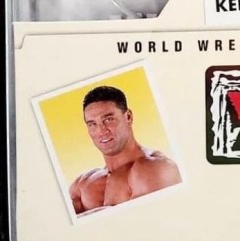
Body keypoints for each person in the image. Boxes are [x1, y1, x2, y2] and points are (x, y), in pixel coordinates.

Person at [69, 85, 181, 213]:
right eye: (92, 124)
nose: (101, 131)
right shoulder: (82, 184)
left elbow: (144, 220)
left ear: (128, 117)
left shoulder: (156, 168)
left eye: (108, 119)